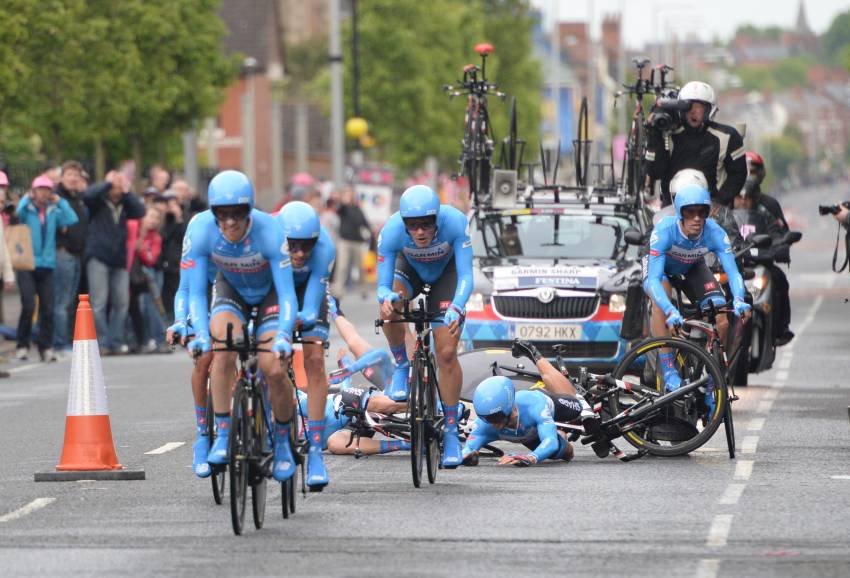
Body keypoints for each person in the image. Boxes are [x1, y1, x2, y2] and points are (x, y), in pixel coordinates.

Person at [182, 171, 303, 487]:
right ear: (213, 213)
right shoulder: (200, 229)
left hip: (270, 296)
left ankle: (280, 440)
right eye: (223, 214)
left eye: (238, 214)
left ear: (249, 211)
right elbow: (195, 292)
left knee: (273, 368)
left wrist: (284, 335)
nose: (231, 222)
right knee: (220, 353)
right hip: (230, 291)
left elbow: (288, 293)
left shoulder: (269, 230)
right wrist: (200, 335)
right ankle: (222, 434)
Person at [376, 184, 473, 468]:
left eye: (426, 225)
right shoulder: (392, 231)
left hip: (448, 273)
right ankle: (402, 367)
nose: (420, 232)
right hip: (410, 270)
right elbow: (382, 285)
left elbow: (467, 275)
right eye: (413, 226)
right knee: (389, 307)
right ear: (404, 223)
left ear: (437, 219)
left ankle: (452, 433)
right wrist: (388, 299)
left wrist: (456, 306)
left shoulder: (455, 222)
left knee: (445, 354)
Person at [643, 184, 751, 392]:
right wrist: (669, 310)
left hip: (693, 267)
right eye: (690, 212)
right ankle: (669, 370)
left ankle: (713, 379)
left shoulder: (714, 232)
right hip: (661, 271)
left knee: (722, 319)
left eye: (702, 212)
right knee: (659, 303)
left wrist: (738, 298)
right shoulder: (665, 230)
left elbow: (734, 272)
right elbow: (653, 280)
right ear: (680, 213)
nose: (696, 218)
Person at [276, 201, 336, 488]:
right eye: (293, 246)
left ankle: (315, 450)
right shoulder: (269, 240)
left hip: (309, 294)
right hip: (276, 291)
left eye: (306, 246)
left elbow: (312, 307)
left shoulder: (325, 248)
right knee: (274, 359)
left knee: (314, 359)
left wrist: (300, 319)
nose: (300, 253)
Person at [166, 211, 218, 478]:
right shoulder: (197, 234)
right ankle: (203, 432)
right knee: (205, 356)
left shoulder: (250, 233)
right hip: (204, 291)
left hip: (240, 288)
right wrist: (179, 321)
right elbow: (185, 289)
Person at [646, 81, 747, 207]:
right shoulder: (668, 134)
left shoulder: (727, 136)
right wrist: (654, 134)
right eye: (688, 106)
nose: (693, 111)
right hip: (672, 211)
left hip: (711, 212)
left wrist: (719, 202)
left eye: (699, 107)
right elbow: (655, 172)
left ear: (710, 109)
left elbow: (738, 174)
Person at [14, 175, 79, 361]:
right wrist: (27, 197)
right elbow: (17, 213)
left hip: (48, 264)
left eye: (47, 190)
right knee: (28, 305)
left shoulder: (54, 211)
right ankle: (22, 344)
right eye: (40, 189)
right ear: (34, 191)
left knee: (48, 308)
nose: (44, 193)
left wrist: (61, 201)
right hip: (27, 263)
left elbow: (72, 219)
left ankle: (46, 346)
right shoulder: (27, 209)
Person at [84, 170, 146, 355]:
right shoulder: (97, 203)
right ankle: (102, 342)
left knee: (122, 303)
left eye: (120, 185)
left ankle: (115, 341)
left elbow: (140, 211)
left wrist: (127, 191)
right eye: (114, 185)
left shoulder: (126, 205)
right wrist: (108, 183)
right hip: (98, 257)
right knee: (99, 302)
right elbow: (89, 195)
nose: (116, 189)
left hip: (119, 259)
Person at [734, 158, 794, 346]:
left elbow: (778, 231)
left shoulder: (767, 209)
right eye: (739, 198)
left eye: (747, 198)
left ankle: (780, 328)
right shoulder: (723, 212)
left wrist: (781, 247)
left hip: (760, 263)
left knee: (779, 280)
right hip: (732, 265)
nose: (743, 202)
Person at [53, 161, 89, 353]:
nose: (74, 178)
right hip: (63, 253)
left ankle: (66, 340)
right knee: (62, 302)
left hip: (76, 255)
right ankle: (60, 342)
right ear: (62, 178)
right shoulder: (56, 198)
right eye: (70, 175)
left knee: (70, 302)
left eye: (77, 175)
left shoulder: (78, 198)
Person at [332, 187, 371, 297]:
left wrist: (370, 232)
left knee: (360, 267)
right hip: (344, 241)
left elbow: (365, 223)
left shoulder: (358, 209)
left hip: (357, 242)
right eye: (347, 195)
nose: (349, 197)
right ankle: (339, 289)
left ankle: (363, 289)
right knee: (342, 266)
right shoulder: (343, 208)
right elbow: (338, 209)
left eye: (351, 195)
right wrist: (342, 201)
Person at [159, 191, 186, 324]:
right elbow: (164, 237)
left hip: (178, 265)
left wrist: (179, 219)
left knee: (177, 295)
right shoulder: (165, 222)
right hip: (164, 264)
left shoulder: (184, 220)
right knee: (166, 298)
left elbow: (185, 237)